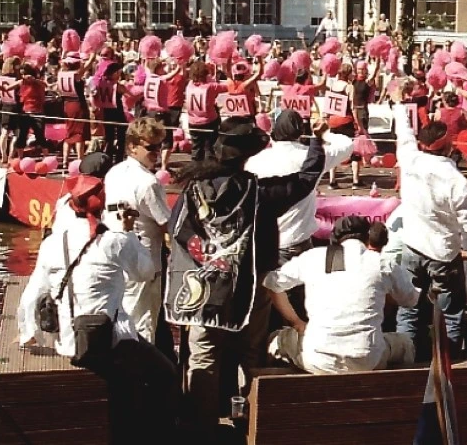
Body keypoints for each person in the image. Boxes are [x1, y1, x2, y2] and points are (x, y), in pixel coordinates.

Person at [167, 115, 326, 431]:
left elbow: (177, 230)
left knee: (203, 358)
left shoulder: (193, 190)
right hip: (250, 285)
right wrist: (316, 141)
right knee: (251, 354)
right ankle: (249, 421)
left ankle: (202, 427)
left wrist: (208, 258)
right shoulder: (258, 194)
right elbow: (306, 179)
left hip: (203, 286)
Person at [17, 172, 178, 444]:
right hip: (112, 340)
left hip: (69, 341)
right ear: (103, 207)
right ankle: (154, 434)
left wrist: (27, 332)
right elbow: (146, 273)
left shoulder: (52, 243)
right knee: (165, 373)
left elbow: (34, 292)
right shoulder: (116, 240)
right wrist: (129, 234)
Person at [390, 91, 467, 361]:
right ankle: (448, 362)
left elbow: (404, 132)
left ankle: (407, 360)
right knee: (451, 313)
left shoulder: (409, 157)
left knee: (409, 308)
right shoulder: (453, 178)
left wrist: (398, 102)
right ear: (448, 147)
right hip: (443, 254)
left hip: (412, 247)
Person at [263, 216, 419, 374]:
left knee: (276, 340)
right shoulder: (382, 263)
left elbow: (271, 283)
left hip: (317, 359)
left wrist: (296, 322)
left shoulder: (313, 257)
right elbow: (411, 300)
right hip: (367, 360)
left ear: (334, 239)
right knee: (406, 344)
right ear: (367, 238)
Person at [246, 109, 354, 263]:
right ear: (301, 132)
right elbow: (347, 144)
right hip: (296, 242)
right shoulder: (312, 157)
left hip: (262, 241)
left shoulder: (254, 160)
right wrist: (322, 134)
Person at [103, 117, 172, 343]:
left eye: (159, 146)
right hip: (143, 260)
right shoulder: (149, 182)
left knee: (119, 315)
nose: (156, 153)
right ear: (132, 146)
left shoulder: (114, 172)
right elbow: (167, 223)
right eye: (151, 147)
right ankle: (140, 375)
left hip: (114, 255)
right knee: (142, 324)